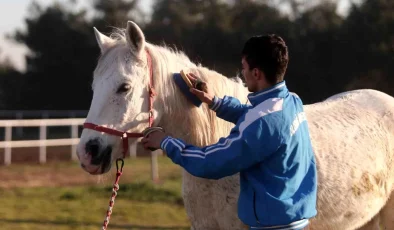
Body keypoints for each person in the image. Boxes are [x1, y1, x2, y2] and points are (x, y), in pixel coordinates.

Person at [141, 34, 317, 230]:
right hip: (295, 217)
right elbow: (254, 117)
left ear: (256, 73)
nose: (243, 73)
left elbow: (210, 162)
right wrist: (214, 101)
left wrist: (165, 141)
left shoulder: (262, 123)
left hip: (272, 225)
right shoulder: (291, 102)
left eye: (244, 68)